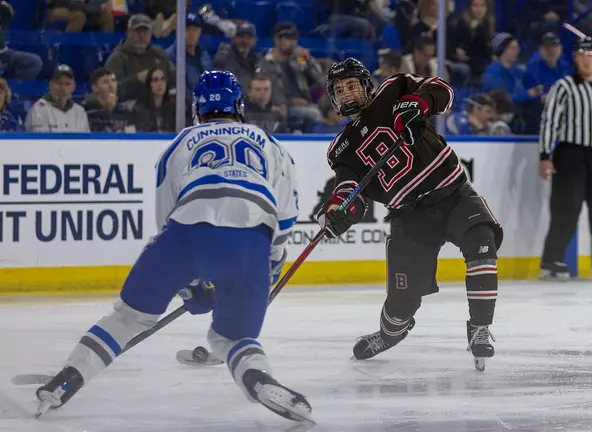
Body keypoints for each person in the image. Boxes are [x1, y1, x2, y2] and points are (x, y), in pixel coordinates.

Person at [34, 71, 312, 424]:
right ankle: (259, 380)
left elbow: (167, 218)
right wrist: (269, 264)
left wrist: (188, 284)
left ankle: (66, 381)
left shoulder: (183, 141)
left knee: (128, 318)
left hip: (187, 232)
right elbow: (286, 216)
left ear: (197, 108)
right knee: (232, 337)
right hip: (251, 241)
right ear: (239, 106)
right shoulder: (268, 141)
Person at [320, 58, 503, 371]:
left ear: (366, 86)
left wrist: (417, 105)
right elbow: (349, 191)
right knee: (402, 305)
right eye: (340, 89)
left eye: (352, 85)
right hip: (410, 217)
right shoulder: (342, 148)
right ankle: (390, 333)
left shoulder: (394, 89)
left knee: (482, 243)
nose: (348, 93)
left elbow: (442, 90)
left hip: (453, 194)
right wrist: (338, 212)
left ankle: (479, 327)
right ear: (334, 99)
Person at [538, 37, 592, 281]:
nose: (587, 60)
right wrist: (545, 155)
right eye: (583, 55)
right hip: (570, 153)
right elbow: (550, 121)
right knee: (566, 208)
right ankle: (551, 260)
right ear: (575, 58)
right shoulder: (563, 86)